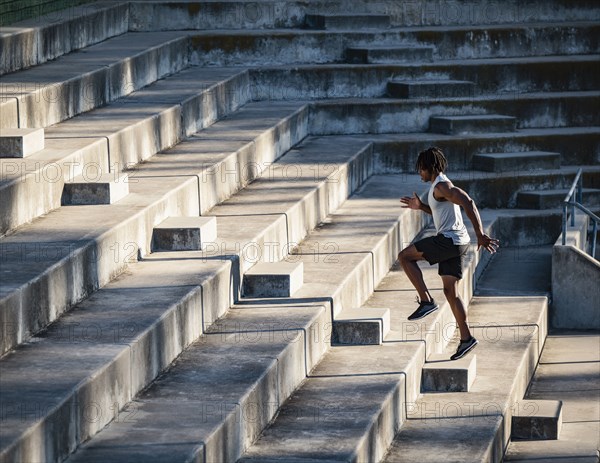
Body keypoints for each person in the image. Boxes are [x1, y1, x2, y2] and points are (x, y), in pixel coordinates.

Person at [399, 147, 499, 360]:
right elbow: (440, 209)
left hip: (449, 241)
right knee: (450, 292)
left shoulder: (443, 185)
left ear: (429, 168)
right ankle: (466, 339)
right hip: (458, 242)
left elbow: (467, 201)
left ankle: (426, 301)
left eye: (421, 170)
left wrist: (480, 234)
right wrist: (421, 207)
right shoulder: (438, 187)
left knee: (404, 257)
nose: (419, 174)